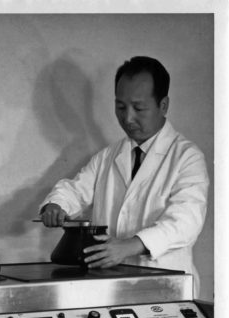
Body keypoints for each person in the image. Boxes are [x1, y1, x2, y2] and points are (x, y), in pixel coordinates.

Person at [39, 56, 209, 296]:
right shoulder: (108, 157)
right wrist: (56, 204)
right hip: (110, 286)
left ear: (163, 105)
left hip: (164, 289)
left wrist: (131, 245)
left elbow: (186, 221)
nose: (128, 118)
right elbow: (76, 189)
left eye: (138, 108)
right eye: (120, 107)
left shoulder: (187, 157)